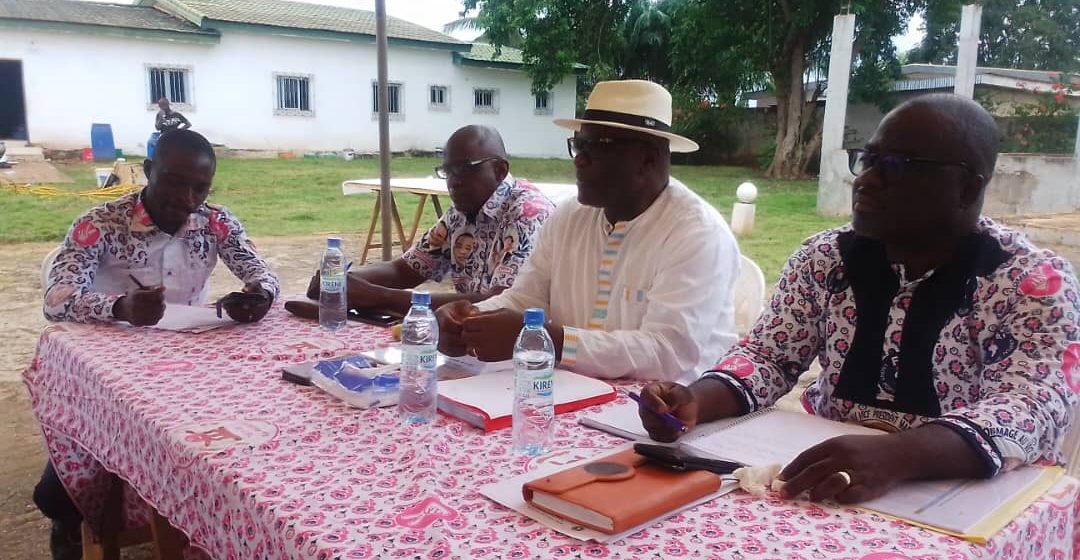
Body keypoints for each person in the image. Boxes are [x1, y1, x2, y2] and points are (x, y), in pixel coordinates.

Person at [639, 93, 1079, 503]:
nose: (866, 180)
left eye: (896, 165)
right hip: (830, 476)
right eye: (866, 160)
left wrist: (899, 455)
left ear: (967, 188)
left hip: (973, 496)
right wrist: (697, 399)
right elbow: (769, 356)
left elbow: (1030, 405)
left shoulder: (1031, 281)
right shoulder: (826, 258)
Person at [36, 129, 279, 559]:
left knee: (233, 423)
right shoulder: (99, 225)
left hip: (185, 353)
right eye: (172, 180)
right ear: (148, 172)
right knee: (99, 423)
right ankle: (66, 510)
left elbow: (260, 271)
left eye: (199, 187)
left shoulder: (216, 222)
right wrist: (119, 308)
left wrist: (259, 296)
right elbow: (57, 301)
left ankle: (199, 511)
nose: (186, 198)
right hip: (110, 356)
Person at [437, 80, 740, 382]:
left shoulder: (697, 234)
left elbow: (667, 352)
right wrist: (469, 318)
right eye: (579, 145)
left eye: (598, 147)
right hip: (569, 392)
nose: (580, 160)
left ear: (648, 158)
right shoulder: (569, 217)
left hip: (666, 411)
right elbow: (524, 298)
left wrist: (551, 341)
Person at [306, 125, 554, 315]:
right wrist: (343, 281)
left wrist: (380, 297)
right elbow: (406, 269)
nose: (453, 181)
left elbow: (501, 301)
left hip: (525, 351)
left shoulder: (527, 214)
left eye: (465, 169)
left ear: (499, 171)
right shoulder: (462, 212)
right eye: (448, 171)